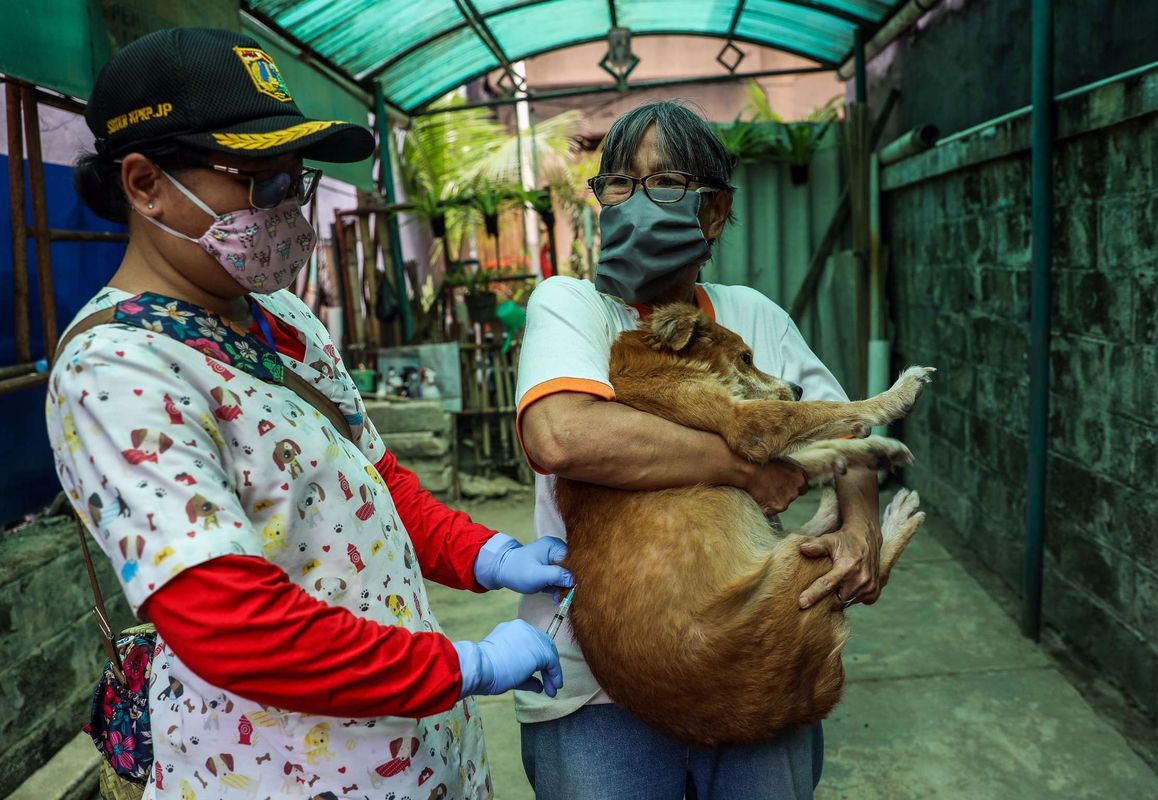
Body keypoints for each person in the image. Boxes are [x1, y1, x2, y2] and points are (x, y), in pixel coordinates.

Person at [46, 28, 570, 799]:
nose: (286, 210)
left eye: (297, 182)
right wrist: (467, 664)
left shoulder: (280, 316)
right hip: (280, 772)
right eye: (260, 182)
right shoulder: (115, 372)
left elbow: (371, 478)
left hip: (419, 753)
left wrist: (487, 555)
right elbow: (234, 624)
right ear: (144, 183)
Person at [514, 101, 884, 799]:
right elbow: (565, 434)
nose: (633, 201)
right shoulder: (571, 307)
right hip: (595, 685)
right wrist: (750, 465)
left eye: (665, 184)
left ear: (714, 214)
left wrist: (861, 531)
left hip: (737, 648)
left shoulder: (753, 316)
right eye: (618, 184)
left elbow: (850, 440)